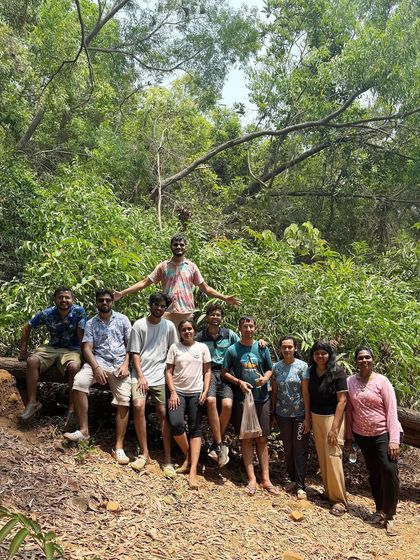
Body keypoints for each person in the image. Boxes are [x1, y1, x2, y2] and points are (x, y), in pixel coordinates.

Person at [64, 290, 132, 465]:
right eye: (101, 300)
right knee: (79, 383)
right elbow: (87, 348)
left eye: (108, 300)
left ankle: (119, 447)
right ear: (96, 302)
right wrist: (96, 367)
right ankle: (84, 431)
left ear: (112, 302)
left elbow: (131, 345)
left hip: (119, 365)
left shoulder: (123, 320)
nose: (104, 302)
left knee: (124, 399)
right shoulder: (91, 323)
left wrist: (125, 364)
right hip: (98, 362)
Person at [113, 234, 241, 327]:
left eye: (181, 244)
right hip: (167, 312)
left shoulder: (191, 267)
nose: (178, 247)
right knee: (166, 346)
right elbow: (145, 282)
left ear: (185, 247)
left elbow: (205, 288)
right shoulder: (163, 266)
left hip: (186, 313)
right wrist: (122, 293)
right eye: (176, 244)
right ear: (171, 246)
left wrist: (225, 298)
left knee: (184, 345)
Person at [346, 346, 402, 536]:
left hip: (383, 434)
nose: (364, 361)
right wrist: (349, 436)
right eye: (360, 358)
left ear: (373, 359)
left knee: (389, 469)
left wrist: (394, 439)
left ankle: (391, 515)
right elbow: (349, 411)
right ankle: (379, 510)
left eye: (367, 357)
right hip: (362, 435)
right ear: (356, 361)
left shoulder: (382, 382)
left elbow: (391, 411)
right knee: (374, 472)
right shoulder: (350, 381)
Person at [221, 316, 279, 496]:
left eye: (251, 326)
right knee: (246, 438)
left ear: (255, 328)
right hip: (242, 399)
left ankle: (266, 479)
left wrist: (265, 379)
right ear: (239, 328)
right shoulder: (232, 350)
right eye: (244, 326)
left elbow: (270, 369)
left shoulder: (262, 348)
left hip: (262, 398)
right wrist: (238, 382)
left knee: (262, 438)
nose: (248, 329)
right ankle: (251, 479)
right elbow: (223, 372)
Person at [128, 292, 178, 477]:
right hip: (140, 373)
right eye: (155, 304)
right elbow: (134, 353)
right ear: (150, 305)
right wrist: (141, 376)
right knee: (138, 405)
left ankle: (168, 459)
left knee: (164, 412)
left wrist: (171, 375)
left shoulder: (169, 326)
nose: (158, 308)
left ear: (166, 308)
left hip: (160, 374)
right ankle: (144, 453)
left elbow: (173, 352)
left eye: (162, 305)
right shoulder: (139, 325)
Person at [18, 287, 87, 422]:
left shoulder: (79, 312)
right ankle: (32, 403)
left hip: (72, 349)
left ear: (72, 299)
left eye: (67, 297)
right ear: (55, 299)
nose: (64, 300)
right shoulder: (47, 313)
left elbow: (81, 334)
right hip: (52, 347)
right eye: (60, 297)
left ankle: (71, 409)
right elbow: (27, 326)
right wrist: (23, 349)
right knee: (32, 361)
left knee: (74, 367)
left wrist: (85, 356)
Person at [166, 320, 211, 489]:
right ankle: (190, 456)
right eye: (184, 329)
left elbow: (207, 371)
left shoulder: (202, 348)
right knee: (176, 423)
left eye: (190, 329)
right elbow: (169, 372)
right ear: (180, 332)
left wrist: (206, 390)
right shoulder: (174, 348)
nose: (187, 332)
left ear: (194, 330)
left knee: (195, 428)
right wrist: (172, 392)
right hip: (178, 392)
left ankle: (193, 471)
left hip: (196, 392)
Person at [195, 304, 239, 467]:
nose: (215, 317)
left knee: (227, 404)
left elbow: (242, 346)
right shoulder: (200, 336)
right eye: (212, 314)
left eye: (218, 315)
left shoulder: (229, 334)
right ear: (207, 317)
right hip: (209, 372)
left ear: (222, 318)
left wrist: (260, 343)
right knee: (211, 401)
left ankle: (215, 443)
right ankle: (220, 444)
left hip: (226, 373)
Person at [308, 341, 348, 516]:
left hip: (333, 418)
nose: (320, 356)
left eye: (323, 353)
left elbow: (342, 401)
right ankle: (328, 493)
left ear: (329, 355)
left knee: (333, 456)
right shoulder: (312, 371)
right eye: (317, 353)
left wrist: (334, 428)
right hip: (316, 417)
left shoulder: (337, 372)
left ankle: (339, 500)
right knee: (323, 456)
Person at [271, 336, 310, 500]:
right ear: (280, 349)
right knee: (288, 448)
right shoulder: (276, 367)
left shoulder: (302, 366)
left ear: (295, 348)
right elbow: (274, 392)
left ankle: (301, 485)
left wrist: (308, 417)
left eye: (290, 347)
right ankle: (292, 479)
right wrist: (272, 413)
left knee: (300, 449)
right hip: (282, 414)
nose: (287, 350)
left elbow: (306, 392)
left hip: (300, 414)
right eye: (284, 347)